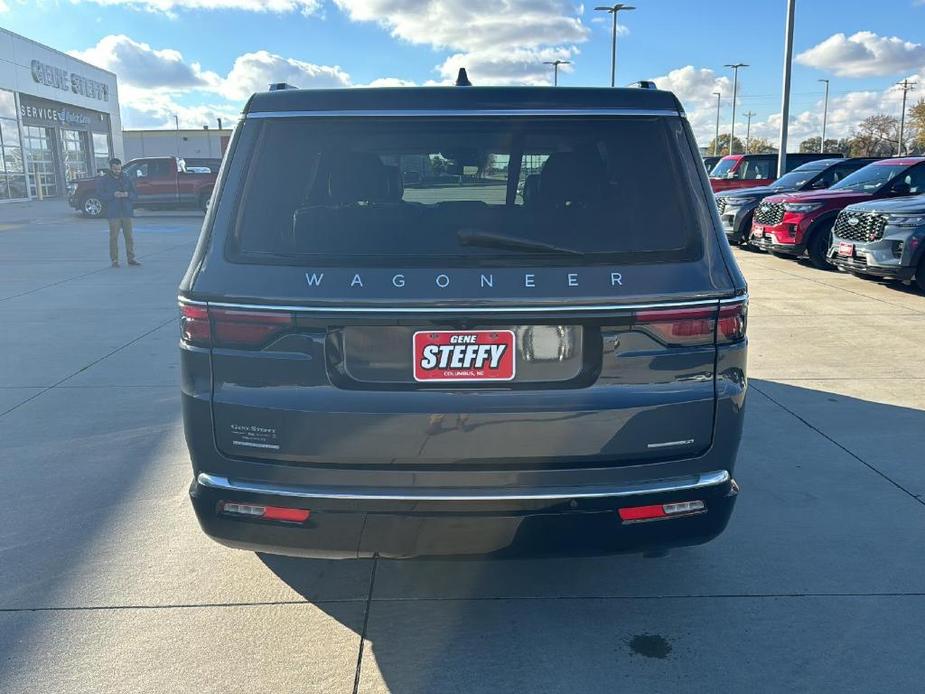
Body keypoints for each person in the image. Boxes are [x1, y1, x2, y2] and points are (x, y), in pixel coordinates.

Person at [97, 158, 140, 267]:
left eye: (119, 169)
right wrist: (112, 195)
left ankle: (131, 258)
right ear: (110, 168)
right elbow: (100, 195)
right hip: (113, 213)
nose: (117, 171)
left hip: (126, 212)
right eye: (115, 169)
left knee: (129, 237)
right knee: (114, 237)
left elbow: (135, 194)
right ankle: (114, 260)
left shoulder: (127, 178)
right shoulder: (104, 180)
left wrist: (127, 195)